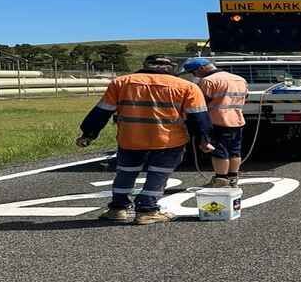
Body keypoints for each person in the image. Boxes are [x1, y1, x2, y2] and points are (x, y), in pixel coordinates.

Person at [76, 55, 215, 224]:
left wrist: (88, 134)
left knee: (126, 172)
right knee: (158, 173)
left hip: (130, 137)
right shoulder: (187, 86)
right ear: (171, 68)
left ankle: (118, 208)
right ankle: (147, 210)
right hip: (168, 139)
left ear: (145, 65)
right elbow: (198, 117)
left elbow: (102, 112)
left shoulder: (121, 83)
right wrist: (204, 139)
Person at [182, 57, 249, 187]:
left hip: (217, 121)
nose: (194, 75)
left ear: (201, 68)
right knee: (235, 150)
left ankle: (221, 179)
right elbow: (245, 96)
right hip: (237, 119)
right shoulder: (239, 79)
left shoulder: (208, 81)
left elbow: (199, 102)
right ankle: (233, 178)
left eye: (194, 72)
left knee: (219, 151)